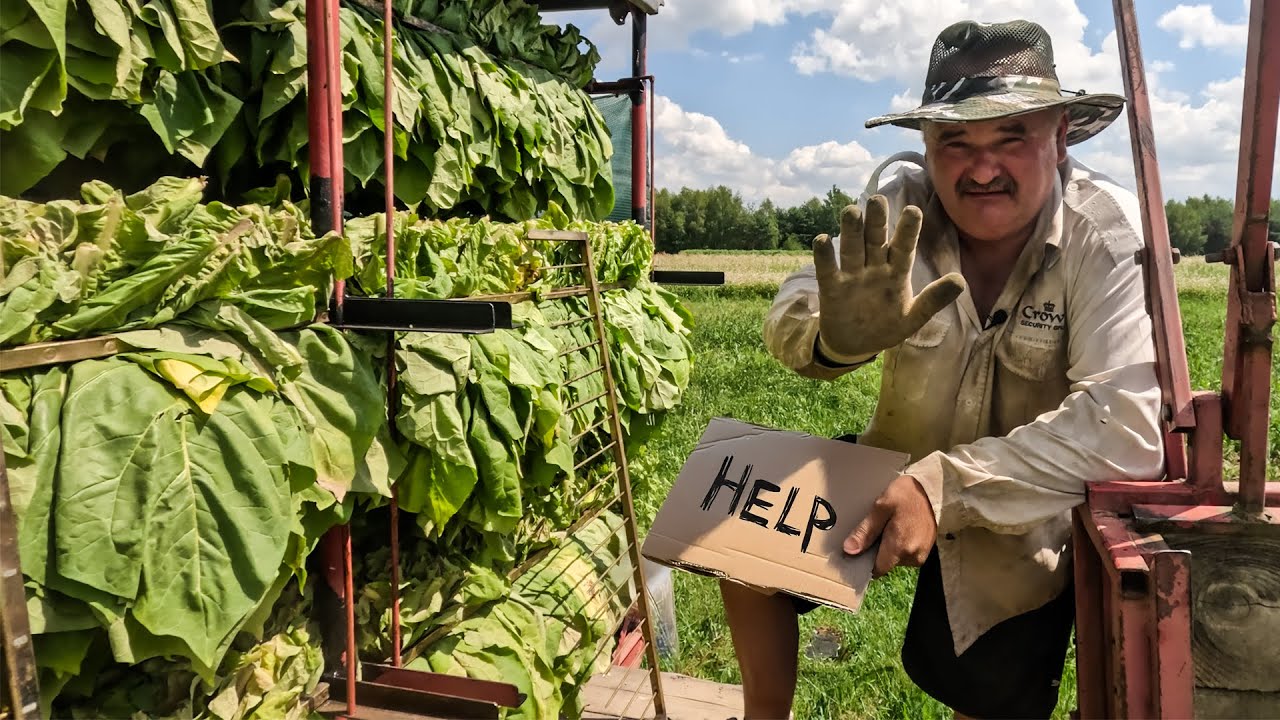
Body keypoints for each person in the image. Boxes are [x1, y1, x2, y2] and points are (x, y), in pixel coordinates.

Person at [730, 19, 1166, 719]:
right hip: (893, 463)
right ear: (927, 147)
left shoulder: (1104, 234)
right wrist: (834, 341)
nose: (982, 167)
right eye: (955, 140)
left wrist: (940, 489)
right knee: (738, 527)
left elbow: (1124, 429)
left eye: (1012, 137)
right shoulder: (902, 202)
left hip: (1021, 504)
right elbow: (796, 303)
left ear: (1060, 137)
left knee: (986, 690)